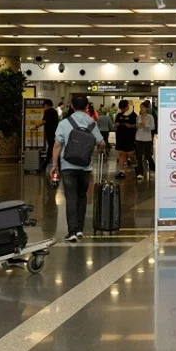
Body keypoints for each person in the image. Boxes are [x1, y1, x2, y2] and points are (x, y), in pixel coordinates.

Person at [50, 95, 106, 243]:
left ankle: (72, 231)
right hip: (85, 166)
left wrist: (54, 164)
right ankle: (80, 229)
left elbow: (57, 145)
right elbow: (102, 143)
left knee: (71, 198)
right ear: (87, 106)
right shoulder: (91, 122)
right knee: (82, 197)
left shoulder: (64, 123)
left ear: (72, 106)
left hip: (67, 166)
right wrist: (98, 148)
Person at [113, 100, 137, 180]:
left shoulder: (134, 115)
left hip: (130, 137)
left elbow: (137, 125)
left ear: (127, 107)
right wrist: (116, 125)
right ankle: (122, 171)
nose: (122, 110)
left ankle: (135, 167)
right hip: (120, 136)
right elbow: (115, 124)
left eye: (123, 108)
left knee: (130, 153)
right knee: (121, 153)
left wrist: (131, 126)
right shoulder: (119, 114)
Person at [135, 100, 156, 182]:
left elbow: (153, 127)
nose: (141, 109)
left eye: (143, 107)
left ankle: (153, 167)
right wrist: (139, 126)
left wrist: (145, 125)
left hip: (147, 138)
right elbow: (137, 126)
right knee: (139, 156)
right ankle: (140, 173)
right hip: (139, 137)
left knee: (148, 155)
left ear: (147, 108)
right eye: (141, 107)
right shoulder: (138, 117)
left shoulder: (150, 117)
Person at [42, 99, 59, 169]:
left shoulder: (47, 112)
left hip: (49, 132)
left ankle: (45, 164)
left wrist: (36, 126)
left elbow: (44, 121)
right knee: (53, 146)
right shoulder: (55, 111)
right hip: (55, 132)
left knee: (50, 146)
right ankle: (56, 161)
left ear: (46, 105)